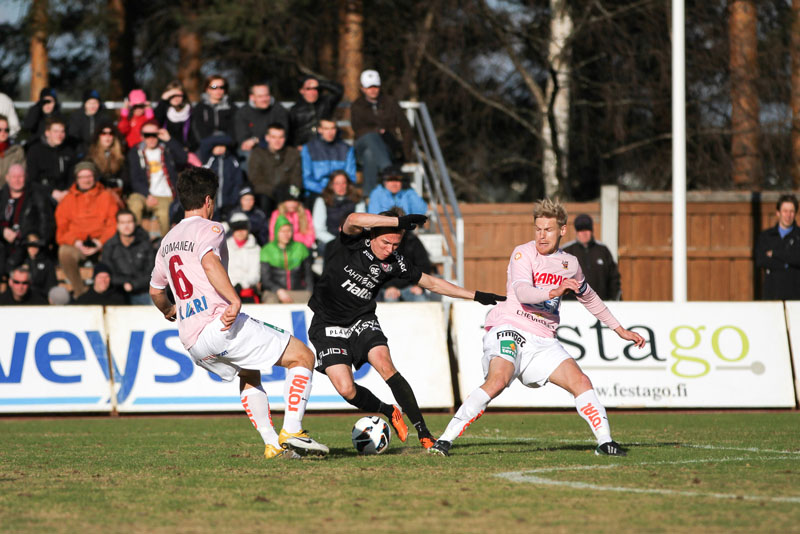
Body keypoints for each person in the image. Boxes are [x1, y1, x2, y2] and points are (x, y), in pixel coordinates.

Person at [428, 198, 645, 458]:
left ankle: (606, 442)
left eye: (548, 230)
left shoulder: (570, 264)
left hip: (543, 339)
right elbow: (522, 291)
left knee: (581, 381)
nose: (541, 236)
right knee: (498, 381)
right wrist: (554, 290)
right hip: (510, 327)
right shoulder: (523, 253)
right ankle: (444, 440)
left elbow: (589, 297)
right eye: (538, 229)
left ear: (562, 231)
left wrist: (619, 329)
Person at [149, 166, 329, 459]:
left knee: (249, 371)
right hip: (219, 323)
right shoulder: (211, 228)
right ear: (209, 200)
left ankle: (273, 444)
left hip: (192, 343)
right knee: (303, 356)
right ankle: (293, 429)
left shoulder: (167, 242)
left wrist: (170, 309)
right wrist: (233, 300)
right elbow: (209, 262)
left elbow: (156, 291)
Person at [307, 207, 505, 448]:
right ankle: (388, 410)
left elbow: (431, 282)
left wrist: (475, 295)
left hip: (362, 319)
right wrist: (398, 220)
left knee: (385, 363)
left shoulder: (395, 262)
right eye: (386, 242)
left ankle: (424, 433)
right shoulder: (352, 242)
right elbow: (352, 219)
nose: (390, 249)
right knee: (346, 389)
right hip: (327, 323)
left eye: (396, 244)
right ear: (372, 236)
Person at [55, 162, 119, 298]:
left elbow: (113, 224)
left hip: (101, 243)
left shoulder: (106, 196)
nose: (86, 180)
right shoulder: (67, 200)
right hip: (78, 244)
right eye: (82, 177)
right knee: (64, 252)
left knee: (114, 251)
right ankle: (80, 292)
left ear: (95, 177)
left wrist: (100, 243)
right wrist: (76, 242)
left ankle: (110, 292)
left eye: (89, 176)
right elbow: (61, 231)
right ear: (77, 179)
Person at [350, 70, 414, 195]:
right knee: (370, 137)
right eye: (369, 87)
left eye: (375, 86)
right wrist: (378, 131)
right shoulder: (357, 105)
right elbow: (358, 129)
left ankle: (369, 196)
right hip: (362, 147)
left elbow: (406, 128)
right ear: (363, 88)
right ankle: (389, 171)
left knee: (370, 155)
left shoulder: (390, 103)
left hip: (385, 148)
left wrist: (406, 155)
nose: (373, 90)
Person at [127, 120, 188, 237]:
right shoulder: (135, 152)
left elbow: (183, 159)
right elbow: (134, 178)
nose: (151, 138)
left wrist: (169, 140)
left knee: (165, 215)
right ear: (142, 136)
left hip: (165, 195)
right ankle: (136, 241)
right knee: (134, 205)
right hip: (143, 193)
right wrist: (147, 195)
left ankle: (164, 248)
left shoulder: (166, 149)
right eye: (147, 135)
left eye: (154, 135)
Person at [0, 164, 54, 278]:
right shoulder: (2, 196)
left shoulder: (36, 195)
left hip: (26, 242)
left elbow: (46, 222)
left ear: (26, 177)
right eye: (14, 177)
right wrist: (3, 231)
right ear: (7, 178)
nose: (17, 180)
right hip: (4, 241)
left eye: (20, 176)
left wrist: (34, 239)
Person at [562, 214, 621, 301]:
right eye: (580, 230)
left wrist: (615, 299)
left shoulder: (603, 251)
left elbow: (614, 278)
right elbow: (559, 277)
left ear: (592, 231)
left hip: (601, 304)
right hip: (573, 307)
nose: (584, 233)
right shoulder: (566, 252)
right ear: (576, 232)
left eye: (587, 230)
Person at [102, 209, 155, 305]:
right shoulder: (110, 246)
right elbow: (107, 272)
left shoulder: (145, 244)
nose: (126, 226)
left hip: (143, 291)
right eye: (122, 222)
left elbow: (153, 273)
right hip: (118, 292)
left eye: (129, 222)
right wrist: (125, 283)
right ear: (117, 225)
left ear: (134, 223)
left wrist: (133, 284)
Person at [248, 123, 302, 215]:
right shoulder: (257, 154)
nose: (277, 141)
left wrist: (291, 196)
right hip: (266, 194)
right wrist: (273, 191)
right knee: (264, 200)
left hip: (287, 193)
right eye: (273, 137)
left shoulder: (293, 154)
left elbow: (296, 179)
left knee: (293, 202)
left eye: (281, 137)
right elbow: (255, 180)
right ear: (267, 138)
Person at [301, 117, 356, 205]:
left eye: (333, 128)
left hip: (341, 191)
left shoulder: (346, 149)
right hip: (317, 192)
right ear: (319, 130)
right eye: (326, 129)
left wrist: (339, 188)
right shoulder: (309, 148)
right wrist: (324, 190)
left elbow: (351, 176)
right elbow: (306, 179)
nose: (330, 132)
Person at [755, 193, 800, 300]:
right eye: (785, 211)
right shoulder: (766, 236)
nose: (788, 215)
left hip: (796, 296)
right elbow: (761, 260)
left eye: (791, 211)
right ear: (778, 213)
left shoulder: (798, 236)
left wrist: (775, 253)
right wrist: (787, 264)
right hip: (772, 294)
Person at [260, 215, 313, 304]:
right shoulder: (267, 250)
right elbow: (265, 279)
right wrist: (278, 290)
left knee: (310, 301)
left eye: (288, 231)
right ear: (277, 232)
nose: (286, 234)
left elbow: (308, 276)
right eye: (282, 231)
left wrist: (310, 292)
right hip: (274, 292)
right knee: (270, 301)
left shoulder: (300, 248)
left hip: (298, 291)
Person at [234, 81, 290, 163]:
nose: (264, 99)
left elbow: (282, 134)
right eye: (260, 96)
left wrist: (256, 140)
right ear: (252, 97)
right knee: (248, 156)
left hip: (275, 147)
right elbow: (244, 141)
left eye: (266, 95)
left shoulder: (279, 110)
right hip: (252, 151)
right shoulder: (242, 113)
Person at [312, 170, 365, 256]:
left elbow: (362, 224)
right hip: (329, 240)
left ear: (348, 184)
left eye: (343, 183)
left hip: (352, 239)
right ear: (331, 185)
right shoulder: (322, 200)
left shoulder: (357, 200)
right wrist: (337, 242)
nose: (341, 186)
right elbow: (319, 229)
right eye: (337, 183)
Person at [25, 116, 76, 203]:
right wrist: (51, 191)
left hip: (65, 193)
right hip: (42, 194)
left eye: (62, 131)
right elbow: (32, 180)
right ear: (47, 133)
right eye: (56, 131)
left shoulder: (68, 151)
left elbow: (72, 176)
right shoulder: (35, 151)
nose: (59, 135)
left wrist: (66, 191)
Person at [198, 132, 245, 221]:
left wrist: (232, 201)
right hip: (210, 205)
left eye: (222, 145)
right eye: (216, 145)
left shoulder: (232, 161)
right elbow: (204, 143)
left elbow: (238, 183)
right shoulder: (208, 159)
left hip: (229, 205)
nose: (219, 149)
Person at [289, 75, 344, 147]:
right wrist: (297, 146)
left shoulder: (326, 102)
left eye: (315, 88)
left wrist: (319, 83)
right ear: (302, 91)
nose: (312, 92)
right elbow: (290, 133)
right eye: (309, 89)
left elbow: (339, 90)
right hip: (305, 147)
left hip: (327, 144)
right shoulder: (295, 110)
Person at [379, 229, 433, 303]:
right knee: (390, 302)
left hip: (410, 286)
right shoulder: (380, 241)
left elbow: (424, 265)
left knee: (421, 300)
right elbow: (376, 268)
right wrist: (388, 286)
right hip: (387, 288)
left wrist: (419, 286)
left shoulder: (412, 240)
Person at [191, 74, 238, 143]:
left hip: (228, 145)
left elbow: (235, 130)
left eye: (221, 87)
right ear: (207, 89)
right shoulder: (199, 108)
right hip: (206, 145)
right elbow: (197, 130)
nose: (218, 90)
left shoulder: (232, 108)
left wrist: (226, 145)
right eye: (214, 87)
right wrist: (210, 145)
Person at [226, 212, 261, 303]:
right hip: (228, 293)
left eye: (243, 228)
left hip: (248, 293)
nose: (240, 232)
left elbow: (255, 274)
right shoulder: (225, 247)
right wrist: (233, 286)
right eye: (237, 229)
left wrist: (242, 285)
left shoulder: (256, 248)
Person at [154, 81, 198, 151]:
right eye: (172, 96)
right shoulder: (163, 110)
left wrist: (189, 148)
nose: (176, 98)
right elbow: (156, 120)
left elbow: (195, 135)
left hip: (186, 150)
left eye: (179, 95)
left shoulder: (190, 111)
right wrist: (163, 100)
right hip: (166, 150)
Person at [268, 184, 315, 249]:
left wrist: (302, 246)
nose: (292, 204)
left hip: (302, 248)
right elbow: (273, 236)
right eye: (289, 201)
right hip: (283, 248)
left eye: (295, 201)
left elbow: (310, 234)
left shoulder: (305, 213)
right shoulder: (276, 214)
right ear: (284, 202)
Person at [68, 89, 112, 158]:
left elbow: (108, 136)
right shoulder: (76, 117)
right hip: (81, 153)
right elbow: (73, 137)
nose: (93, 106)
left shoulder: (104, 118)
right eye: (90, 103)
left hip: (100, 152)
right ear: (85, 104)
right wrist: (80, 152)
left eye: (95, 103)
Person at [86, 122, 128, 193]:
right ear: (98, 136)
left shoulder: (121, 156)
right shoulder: (91, 157)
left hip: (117, 192)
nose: (107, 136)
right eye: (103, 133)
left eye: (111, 133)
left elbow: (126, 179)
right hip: (97, 193)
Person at [23, 232, 57, 299]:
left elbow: (51, 283)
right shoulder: (21, 261)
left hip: (41, 297)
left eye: (35, 245)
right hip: (23, 298)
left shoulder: (47, 262)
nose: (33, 248)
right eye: (30, 245)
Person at [0, 114, 25, 186]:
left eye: (6, 130)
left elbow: (21, 176)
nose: (3, 132)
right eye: (0, 129)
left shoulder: (17, 150)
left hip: (9, 192)